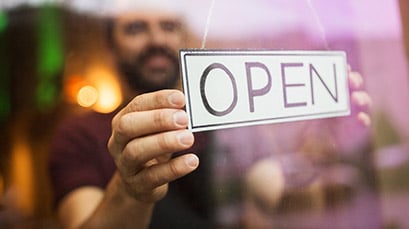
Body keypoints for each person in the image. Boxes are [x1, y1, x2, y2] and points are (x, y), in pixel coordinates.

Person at [49, 2, 372, 229]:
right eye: (136, 28)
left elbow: (276, 202)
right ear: (111, 47)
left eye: (169, 26)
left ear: (184, 38)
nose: (157, 39)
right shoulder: (79, 137)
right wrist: (132, 189)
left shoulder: (227, 121)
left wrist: (323, 148)